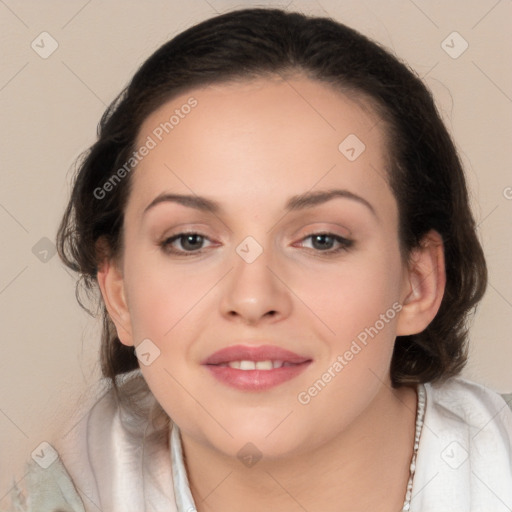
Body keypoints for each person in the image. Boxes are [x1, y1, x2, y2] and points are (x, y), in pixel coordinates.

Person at [4, 7, 511, 512]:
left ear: (417, 283)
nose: (252, 298)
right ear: (118, 293)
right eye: (189, 241)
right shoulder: (62, 487)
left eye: (321, 240)